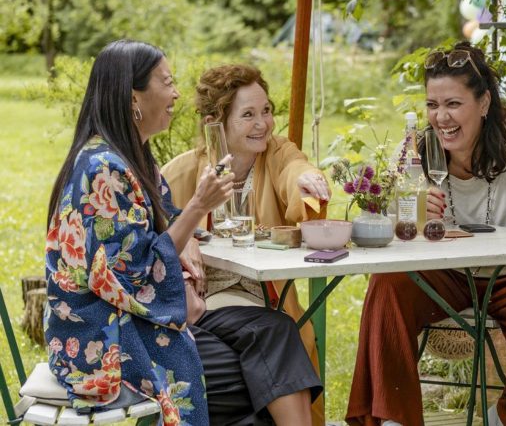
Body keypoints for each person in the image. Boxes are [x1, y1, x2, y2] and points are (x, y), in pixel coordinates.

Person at [45, 40, 321, 425]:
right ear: (133, 99)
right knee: (254, 378)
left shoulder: (134, 157)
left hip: (160, 312)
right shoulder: (101, 168)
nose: (176, 93)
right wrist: (198, 208)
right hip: (106, 333)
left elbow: (167, 223)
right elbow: (131, 272)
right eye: (167, 82)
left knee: (274, 331)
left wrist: (188, 232)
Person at [346, 42, 506, 426]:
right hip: (447, 272)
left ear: (484, 103)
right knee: (388, 284)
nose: (441, 117)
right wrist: (415, 217)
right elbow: (393, 227)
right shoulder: (419, 150)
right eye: (432, 105)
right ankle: (392, 418)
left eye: (453, 104)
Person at [161, 63, 330, 426]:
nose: (263, 124)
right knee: (263, 360)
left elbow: (296, 169)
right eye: (248, 114)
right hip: (205, 303)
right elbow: (157, 232)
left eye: (266, 111)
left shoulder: (276, 153)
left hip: (268, 296)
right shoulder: (182, 173)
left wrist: (309, 180)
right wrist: (185, 232)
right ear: (215, 122)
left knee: (276, 340)